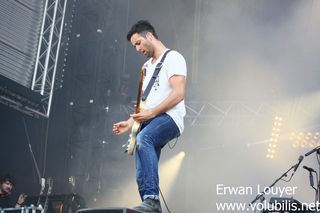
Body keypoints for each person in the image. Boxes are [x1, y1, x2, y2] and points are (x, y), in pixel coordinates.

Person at [113, 20, 187, 212]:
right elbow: (146, 102)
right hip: (151, 120)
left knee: (144, 138)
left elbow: (179, 94)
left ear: (150, 36)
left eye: (138, 43)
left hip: (170, 118)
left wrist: (152, 114)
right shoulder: (146, 67)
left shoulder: (173, 58)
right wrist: (130, 122)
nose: (137, 48)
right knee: (140, 173)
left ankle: (152, 200)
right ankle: (151, 208)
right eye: (134, 46)